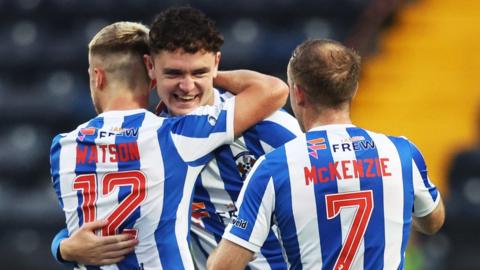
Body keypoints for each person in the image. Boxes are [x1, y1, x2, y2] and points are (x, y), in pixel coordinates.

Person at [52, 7, 301, 269]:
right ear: (151, 68)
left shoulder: (271, 129)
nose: (187, 86)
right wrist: (64, 246)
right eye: (173, 73)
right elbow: (111, 217)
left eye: (199, 72)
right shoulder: (154, 139)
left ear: (216, 63)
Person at [207, 39, 445, 270]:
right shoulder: (401, 153)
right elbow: (433, 221)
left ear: (298, 93)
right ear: (354, 90)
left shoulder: (274, 168)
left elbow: (223, 266)